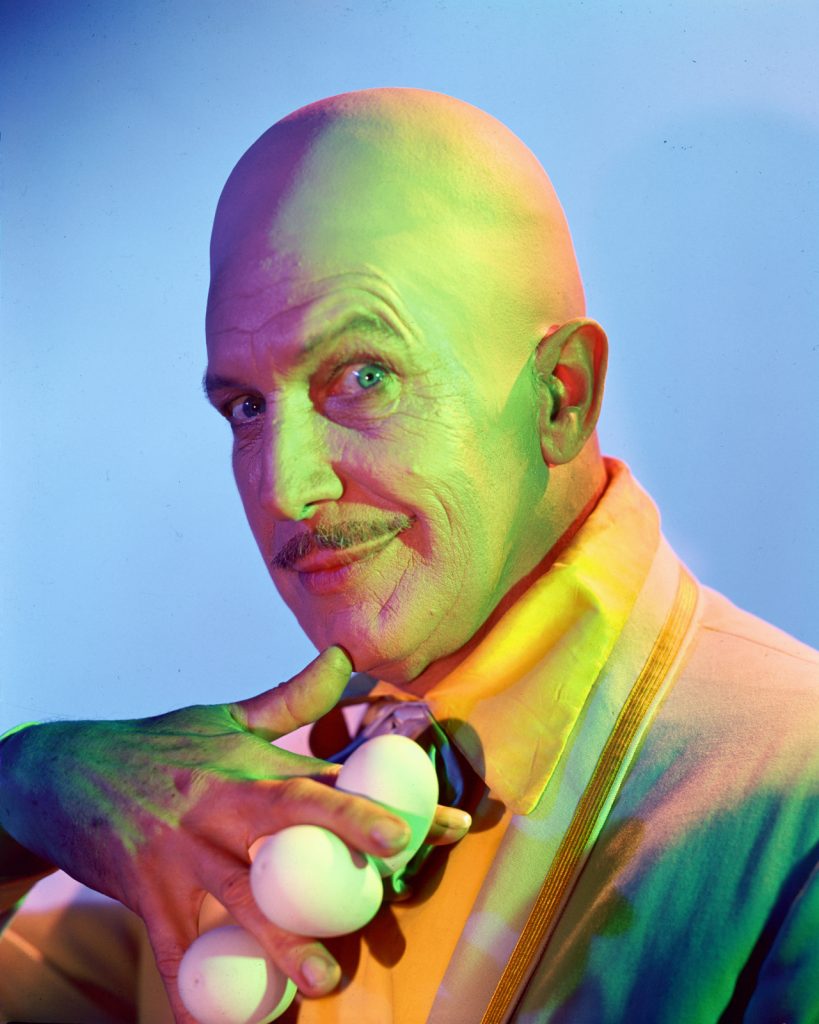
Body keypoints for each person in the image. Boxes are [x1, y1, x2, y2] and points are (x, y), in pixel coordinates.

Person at [1, 87, 817, 1024]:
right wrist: (26, 782)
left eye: (362, 376)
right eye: (247, 408)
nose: (284, 487)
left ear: (559, 396)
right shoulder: (208, 828)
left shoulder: (790, 793)